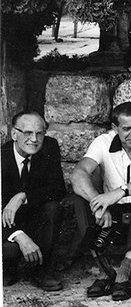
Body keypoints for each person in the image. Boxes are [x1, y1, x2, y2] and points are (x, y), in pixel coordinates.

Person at [70, 103, 131, 301]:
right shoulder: (103, 141)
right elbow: (78, 174)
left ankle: (125, 270)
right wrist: (97, 204)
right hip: (113, 220)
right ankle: (104, 271)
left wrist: (119, 192)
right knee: (79, 198)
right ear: (115, 129)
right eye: (126, 129)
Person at [2, 112, 66, 291]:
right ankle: (9, 268)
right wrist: (19, 236)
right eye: (28, 133)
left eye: (40, 133)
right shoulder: (2, 157)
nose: (34, 139)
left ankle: (42, 270)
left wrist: (23, 196)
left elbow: (58, 189)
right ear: (14, 134)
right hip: (8, 228)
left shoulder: (49, 147)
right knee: (9, 251)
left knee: (54, 208)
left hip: (36, 221)